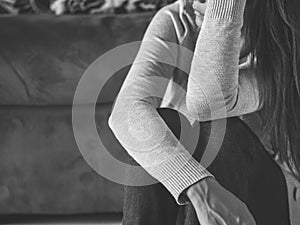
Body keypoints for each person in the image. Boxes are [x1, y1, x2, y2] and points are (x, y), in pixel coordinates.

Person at [108, 0, 300, 224]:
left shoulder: (284, 39)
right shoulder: (178, 19)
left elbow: (208, 104)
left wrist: (222, 12)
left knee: (222, 129)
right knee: (163, 124)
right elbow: (126, 111)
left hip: (264, 205)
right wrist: (198, 187)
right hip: (192, 207)